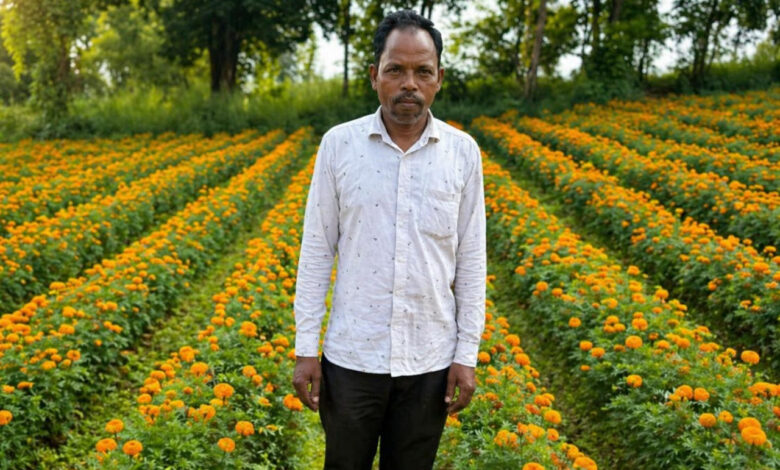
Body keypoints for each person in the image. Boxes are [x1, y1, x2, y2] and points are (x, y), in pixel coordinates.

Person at [292, 9, 486, 470]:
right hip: (352, 356)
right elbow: (317, 250)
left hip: (429, 358)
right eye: (395, 70)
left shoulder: (462, 153)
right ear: (374, 75)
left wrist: (467, 354)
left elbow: (472, 259)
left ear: (439, 78)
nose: (409, 84)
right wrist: (305, 349)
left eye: (422, 71)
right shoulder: (339, 145)